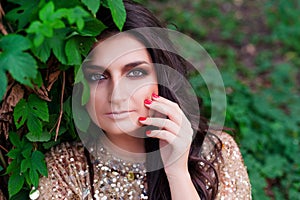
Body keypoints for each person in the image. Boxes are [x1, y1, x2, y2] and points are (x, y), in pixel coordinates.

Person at [36, 0, 251, 199]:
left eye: (135, 74)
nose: (116, 96)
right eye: (97, 76)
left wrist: (177, 173)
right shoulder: (65, 169)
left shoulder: (216, 154)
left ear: (161, 78)